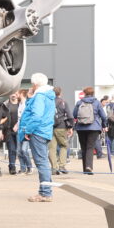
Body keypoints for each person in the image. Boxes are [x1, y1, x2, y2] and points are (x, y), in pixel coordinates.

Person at [18, 73, 56, 202]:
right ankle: (46, 191)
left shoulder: (40, 96)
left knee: (41, 162)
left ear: (34, 84)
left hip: (38, 131)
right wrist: (30, 98)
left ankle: (45, 193)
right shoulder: (48, 95)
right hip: (45, 130)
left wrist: (28, 130)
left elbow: (36, 116)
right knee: (43, 162)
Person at [72, 87, 108, 174]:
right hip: (94, 128)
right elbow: (103, 116)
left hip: (81, 128)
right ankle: (89, 167)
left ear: (84, 93)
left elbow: (74, 115)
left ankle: (85, 169)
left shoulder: (79, 102)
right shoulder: (97, 102)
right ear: (93, 93)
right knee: (90, 147)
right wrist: (104, 125)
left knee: (84, 147)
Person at [50, 86, 73, 175]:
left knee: (52, 148)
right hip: (61, 127)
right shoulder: (63, 102)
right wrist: (70, 127)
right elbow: (70, 116)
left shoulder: (49, 102)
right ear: (60, 93)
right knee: (64, 146)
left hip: (50, 127)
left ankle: (54, 168)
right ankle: (62, 166)